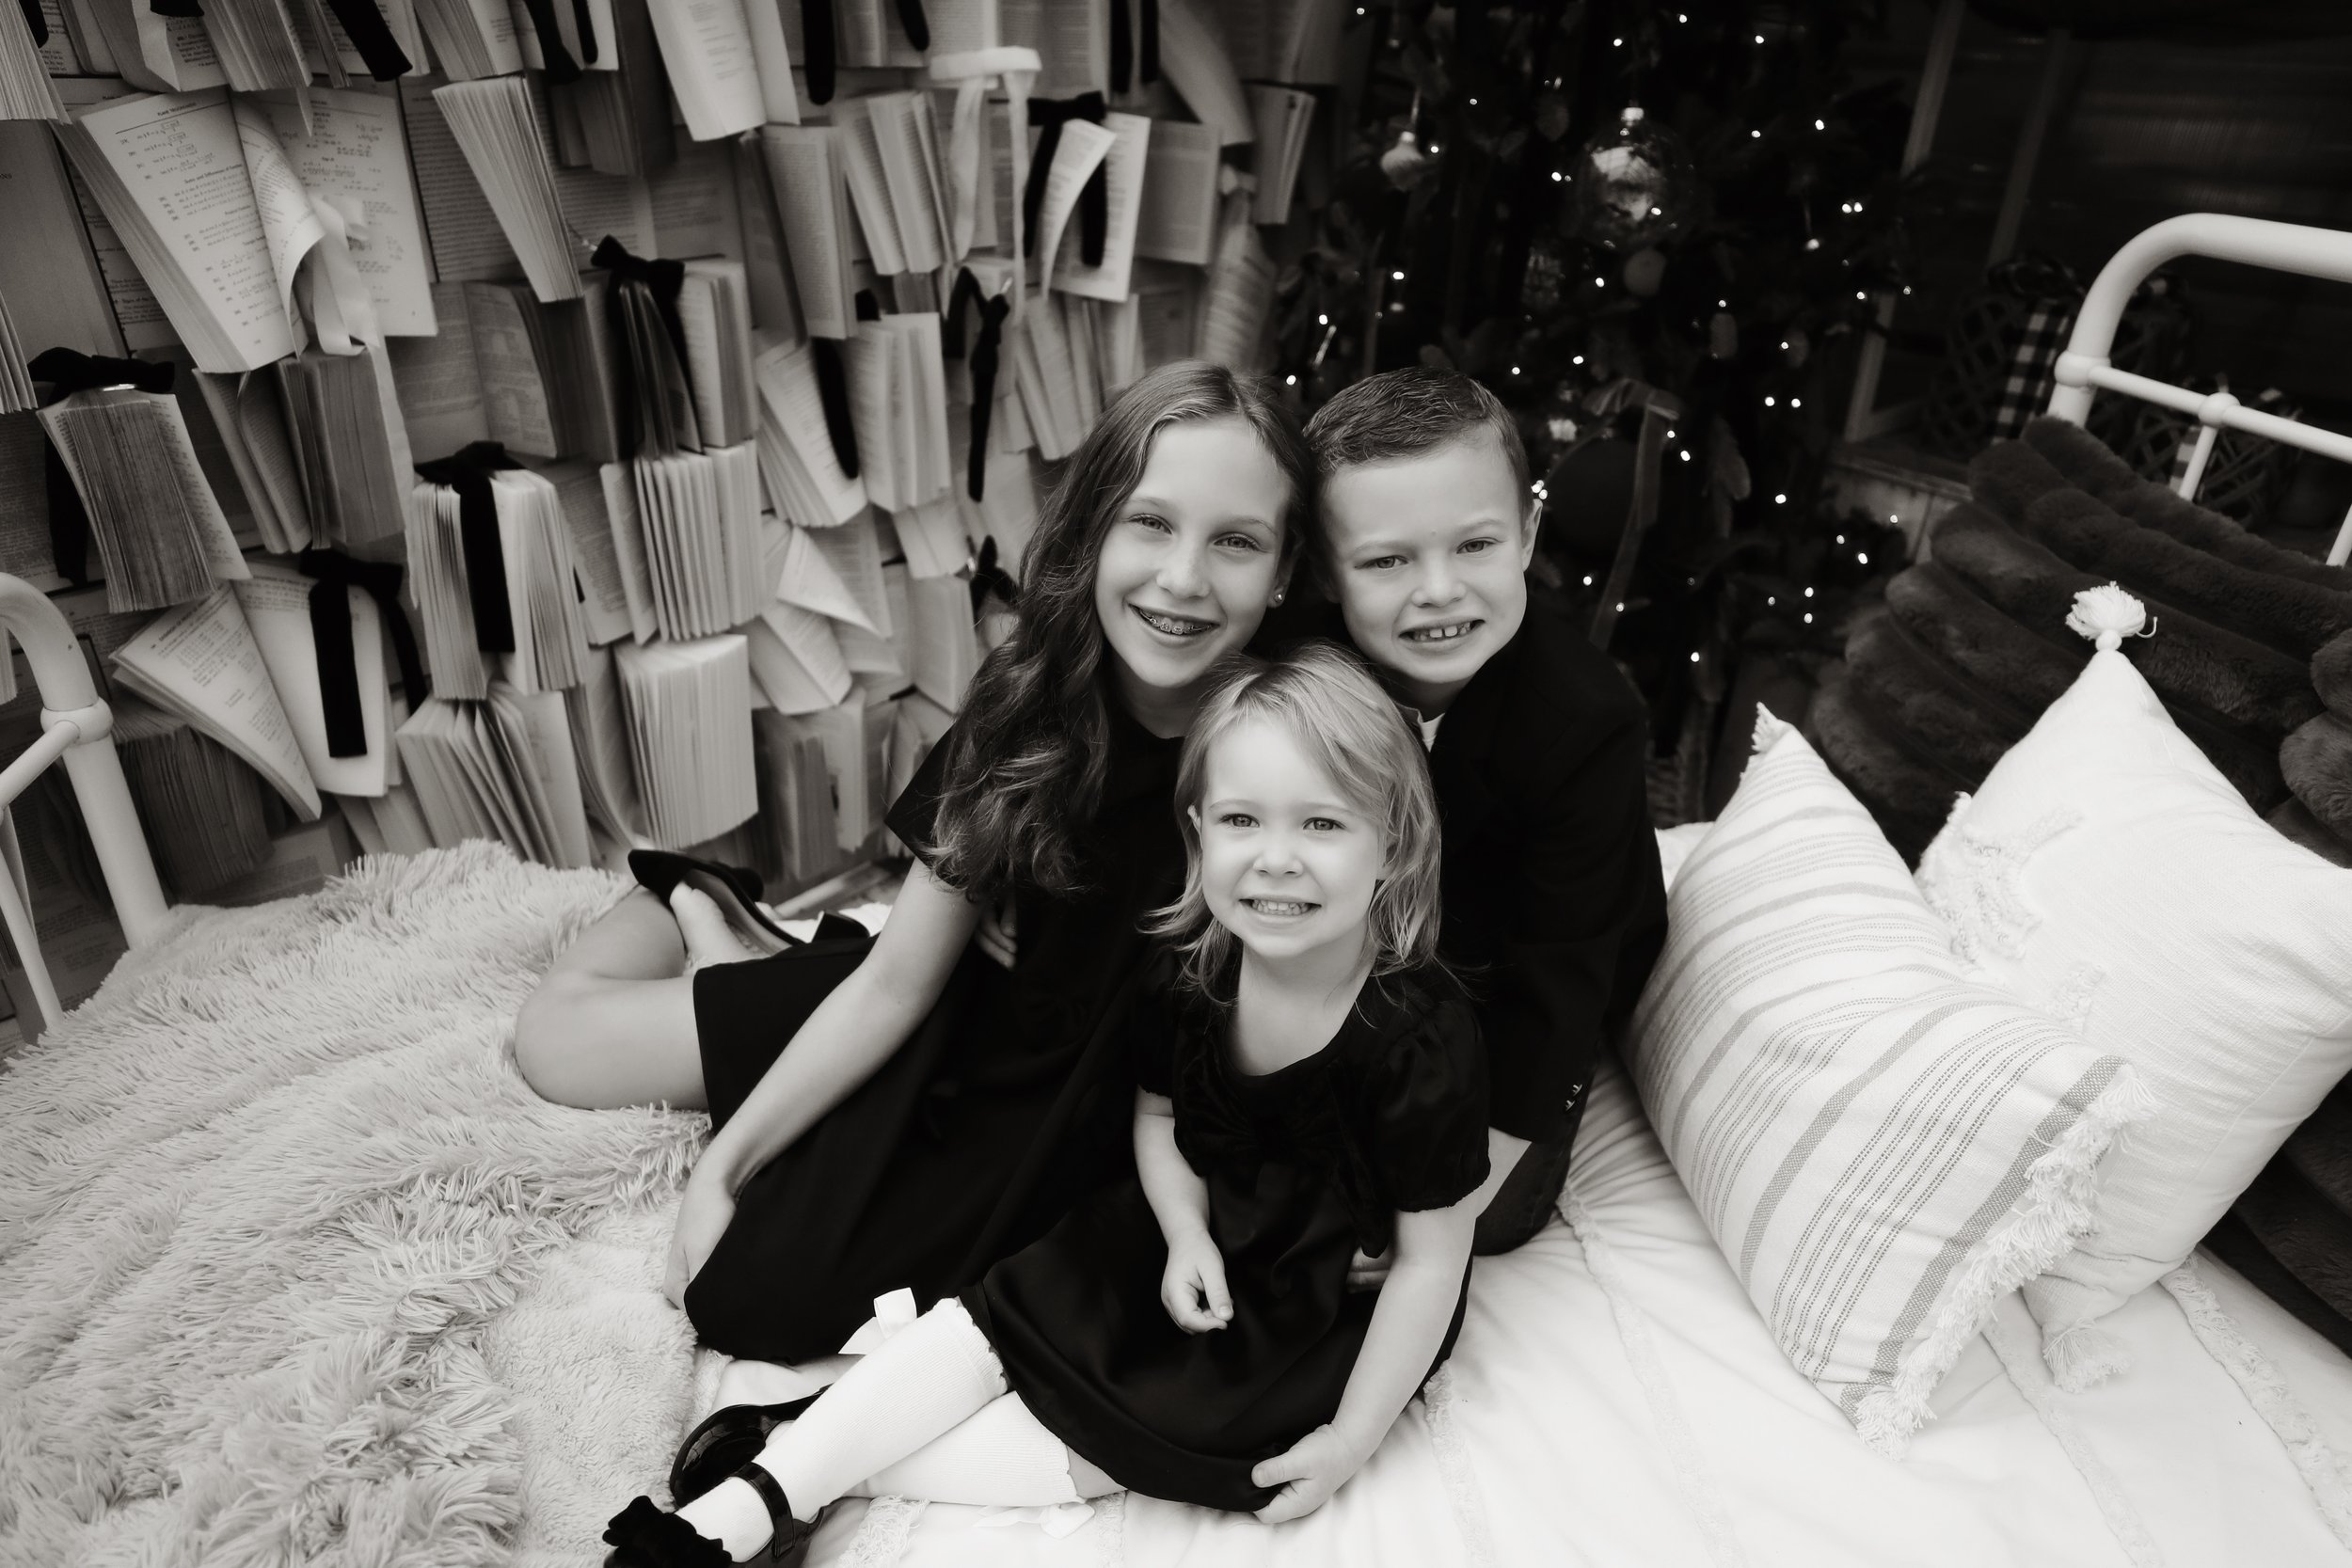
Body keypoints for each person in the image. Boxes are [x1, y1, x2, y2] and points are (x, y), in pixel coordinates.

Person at [601, 642, 1490, 1566]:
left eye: (1321, 823)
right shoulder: (1190, 974)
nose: (1276, 859)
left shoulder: (1419, 1040)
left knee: (1147, 1435)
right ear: (1199, 832)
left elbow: (1431, 1263)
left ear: (1392, 842)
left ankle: (800, 1455)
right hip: (1171, 1231)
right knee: (1004, 1310)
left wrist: (1350, 1437)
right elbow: (1157, 1118)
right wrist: (1183, 1230)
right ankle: (722, 1520)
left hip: (1302, 1298)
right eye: (1241, 819)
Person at [512, 360, 1310, 1364]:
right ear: (1094, 528)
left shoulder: (1300, 733)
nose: (1185, 577)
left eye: (1235, 541)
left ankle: (747, 953)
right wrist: (721, 1167)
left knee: (801, 1305)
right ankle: (690, 903)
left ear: (1283, 570)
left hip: (1105, 1108)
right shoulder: (1032, 707)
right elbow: (896, 983)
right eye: (1149, 523)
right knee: (556, 1048)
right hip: (948, 1031)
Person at [1295, 367, 1667, 1259]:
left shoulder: (1586, 722)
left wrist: (1445, 1217)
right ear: (1322, 569)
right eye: (1387, 560)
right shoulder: (1299, 666)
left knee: (1473, 1219)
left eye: (1475, 546)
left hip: (1521, 987)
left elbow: (1557, 985)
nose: (1439, 591)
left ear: (1528, 534)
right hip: (1375, 961)